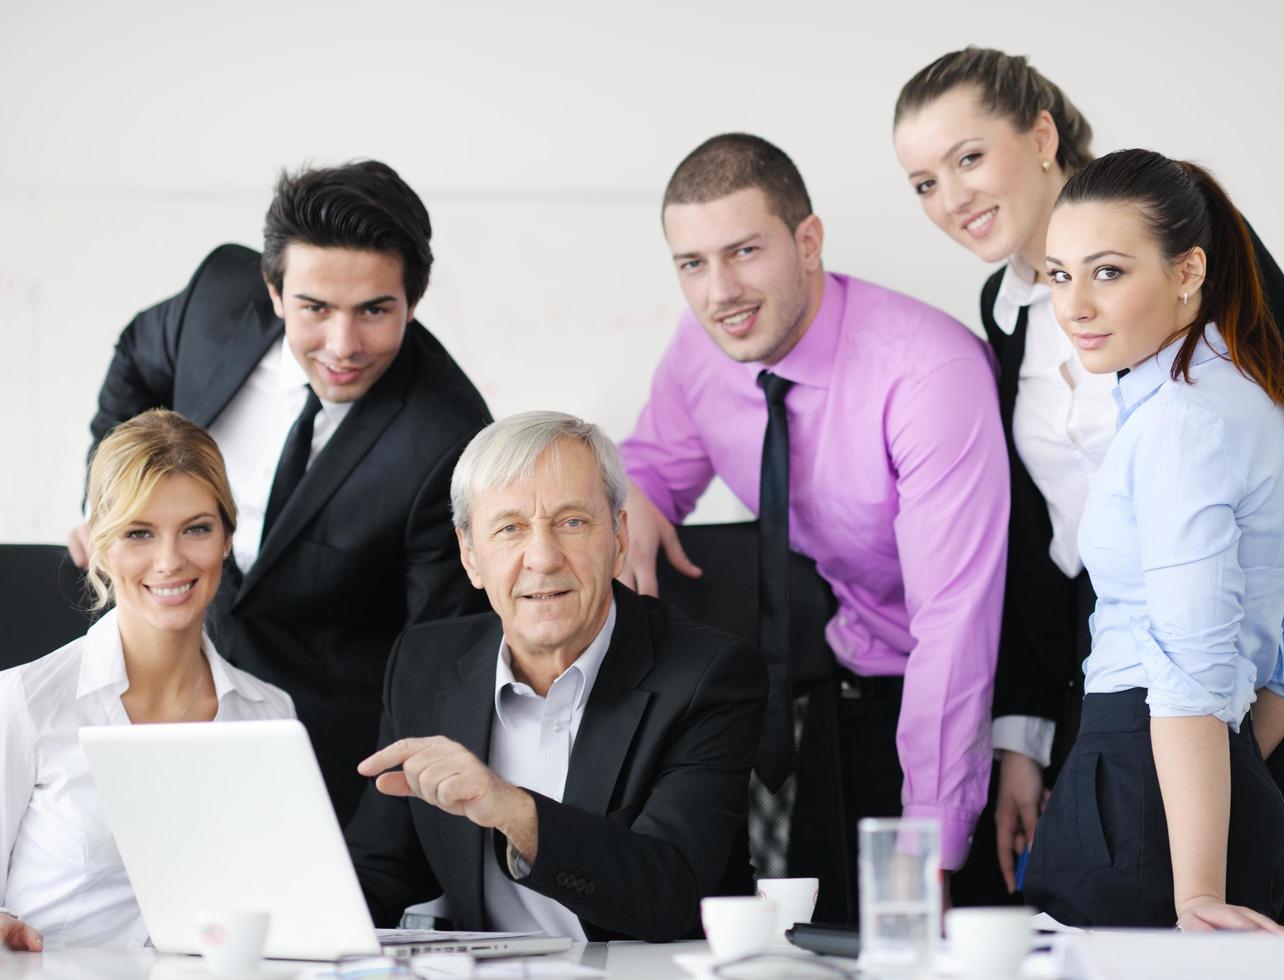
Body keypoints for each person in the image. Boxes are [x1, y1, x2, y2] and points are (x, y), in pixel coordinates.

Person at [892, 48, 1284, 926]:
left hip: (1192, 685)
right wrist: (1025, 738)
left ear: (1041, 135)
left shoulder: (1194, 271)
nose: (950, 198)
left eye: (966, 158)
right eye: (922, 181)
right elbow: (1035, 545)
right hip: (1127, 698)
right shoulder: (1001, 315)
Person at [618, 133, 1008, 921]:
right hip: (846, 688)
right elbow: (653, 464)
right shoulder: (703, 351)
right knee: (819, 946)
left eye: (744, 251)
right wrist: (633, 506)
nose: (719, 290)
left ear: (808, 241)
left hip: (976, 708)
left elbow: (955, 623)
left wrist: (930, 833)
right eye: (692, 264)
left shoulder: (927, 373)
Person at [71, 160, 491, 825]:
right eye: (315, 309)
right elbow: (136, 359)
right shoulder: (215, 297)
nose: (342, 346)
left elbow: (434, 660)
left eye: (376, 311)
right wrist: (107, 500)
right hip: (152, 694)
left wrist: (378, 841)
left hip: (320, 750)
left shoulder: (451, 439)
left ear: (415, 295)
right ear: (273, 289)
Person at [1018, 148, 1284, 929]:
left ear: (1189, 269)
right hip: (1201, 785)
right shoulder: (1276, 406)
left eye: (1107, 273)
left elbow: (1190, 664)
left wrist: (1194, 888)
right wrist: (1227, 771)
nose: (1074, 307)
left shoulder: (1178, 422)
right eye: (1059, 276)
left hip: (1139, 800)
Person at [345, 412, 766, 942]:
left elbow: (670, 894)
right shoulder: (423, 664)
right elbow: (383, 870)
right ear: (470, 557)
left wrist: (512, 810)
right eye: (509, 529)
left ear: (618, 538)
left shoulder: (709, 676)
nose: (542, 558)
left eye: (572, 522)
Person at [1, 410, 295, 951]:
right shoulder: (24, 703)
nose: (169, 560)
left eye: (196, 529)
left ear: (226, 538)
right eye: (139, 532)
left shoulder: (268, 716)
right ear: (101, 546)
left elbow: (284, 920)